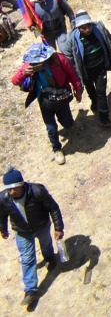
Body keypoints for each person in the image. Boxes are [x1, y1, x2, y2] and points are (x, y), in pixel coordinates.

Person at [0, 168, 64, 306]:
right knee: (27, 258)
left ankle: (49, 258)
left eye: (15, 188)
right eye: (9, 189)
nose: (12, 192)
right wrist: (3, 229)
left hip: (41, 226)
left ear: (21, 184)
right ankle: (31, 290)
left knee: (46, 244)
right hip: (22, 232)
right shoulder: (3, 199)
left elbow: (53, 208)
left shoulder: (37, 191)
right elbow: (2, 215)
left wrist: (58, 227)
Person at [12, 42, 83, 165]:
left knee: (67, 122)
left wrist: (78, 91)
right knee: (51, 128)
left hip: (61, 97)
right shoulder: (29, 66)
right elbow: (14, 81)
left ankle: (69, 126)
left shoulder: (59, 59)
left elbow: (73, 75)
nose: (38, 64)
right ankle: (57, 149)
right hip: (44, 101)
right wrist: (24, 73)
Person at [60, 11, 111, 127]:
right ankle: (94, 101)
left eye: (89, 26)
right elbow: (68, 54)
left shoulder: (99, 29)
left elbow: (110, 41)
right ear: (78, 28)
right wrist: (74, 67)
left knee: (101, 92)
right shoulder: (72, 37)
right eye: (83, 28)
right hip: (85, 71)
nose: (87, 29)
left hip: (100, 67)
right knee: (91, 89)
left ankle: (104, 117)